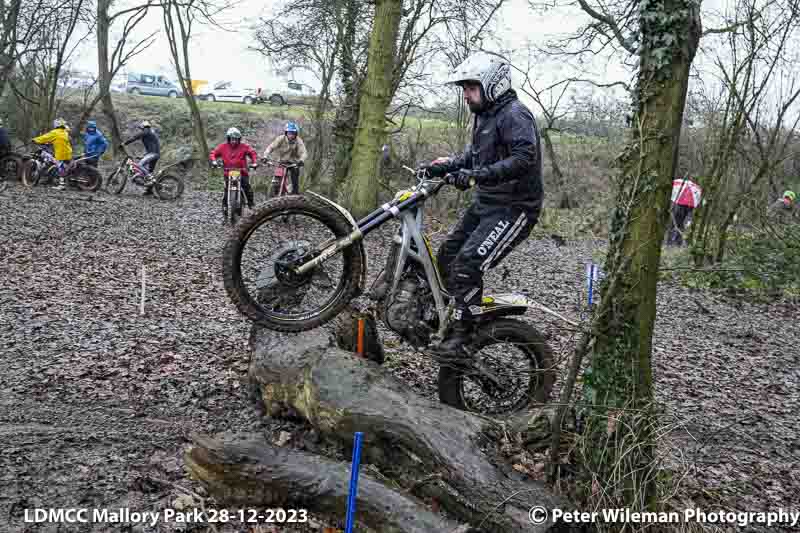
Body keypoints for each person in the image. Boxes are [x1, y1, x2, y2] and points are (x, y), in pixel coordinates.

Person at [420, 51, 543, 358]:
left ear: (494, 85)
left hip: (515, 208)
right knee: (447, 256)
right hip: (487, 203)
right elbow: (472, 158)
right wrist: (444, 167)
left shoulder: (515, 114)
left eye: (471, 88)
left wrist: (476, 176)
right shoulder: (485, 116)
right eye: (464, 89)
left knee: (468, 264)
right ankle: (452, 315)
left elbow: (523, 158)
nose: (466, 95)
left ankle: (464, 337)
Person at [210, 127, 258, 221]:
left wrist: (254, 162)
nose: (234, 141)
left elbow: (252, 153)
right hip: (228, 173)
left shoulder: (244, 147)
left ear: (239, 139)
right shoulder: (223, 147)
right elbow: (213, 153)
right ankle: (224, 212)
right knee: (226, 192)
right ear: (228, 138)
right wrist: (214, 161)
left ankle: (252, 206)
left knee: (247, 189)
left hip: (242, 172)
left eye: (236, 139)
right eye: (232, 139)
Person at [262, 122, 307, 195]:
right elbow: (271, 147)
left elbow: (303, 152)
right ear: (286, 133)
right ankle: (274, 193)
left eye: (293, 133)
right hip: (282, 162)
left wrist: (301, 160)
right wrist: (265, 156)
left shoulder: (298, 141)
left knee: (295, 179)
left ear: (296, 134)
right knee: (277, 179)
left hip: (294, 163)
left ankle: (295, 194)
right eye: (289, 133)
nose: (291, 135)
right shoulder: (280, 139)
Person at [32, 118, 73, 190]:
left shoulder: (55, 132)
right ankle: (50, 178)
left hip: (61, 153)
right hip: (68, 152)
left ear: (56, 125)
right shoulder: (64, 132)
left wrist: (35, 140)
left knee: (60, 166)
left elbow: (44, 137)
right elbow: (62, 139)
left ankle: (62, 185)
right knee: (60, 165)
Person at [121, 120, 160, 195]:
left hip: (153, 153)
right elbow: (151, 146)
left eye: (141, 128)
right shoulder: (150, 133)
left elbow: (135, 137)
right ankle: (149, 190)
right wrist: (143, 156)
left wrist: (124, 143)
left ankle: (150, 179)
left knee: (139, 165)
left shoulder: (146, 131)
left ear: (143, 127)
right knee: (149, 171)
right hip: (154, 154)